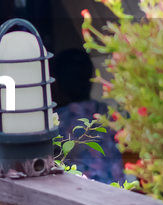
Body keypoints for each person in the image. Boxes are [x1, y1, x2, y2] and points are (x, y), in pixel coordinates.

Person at [51, 47, 124, 184]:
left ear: (57, 83)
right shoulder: (106, 113)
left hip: (85, 196)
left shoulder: (58, 122)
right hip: (119, 190)